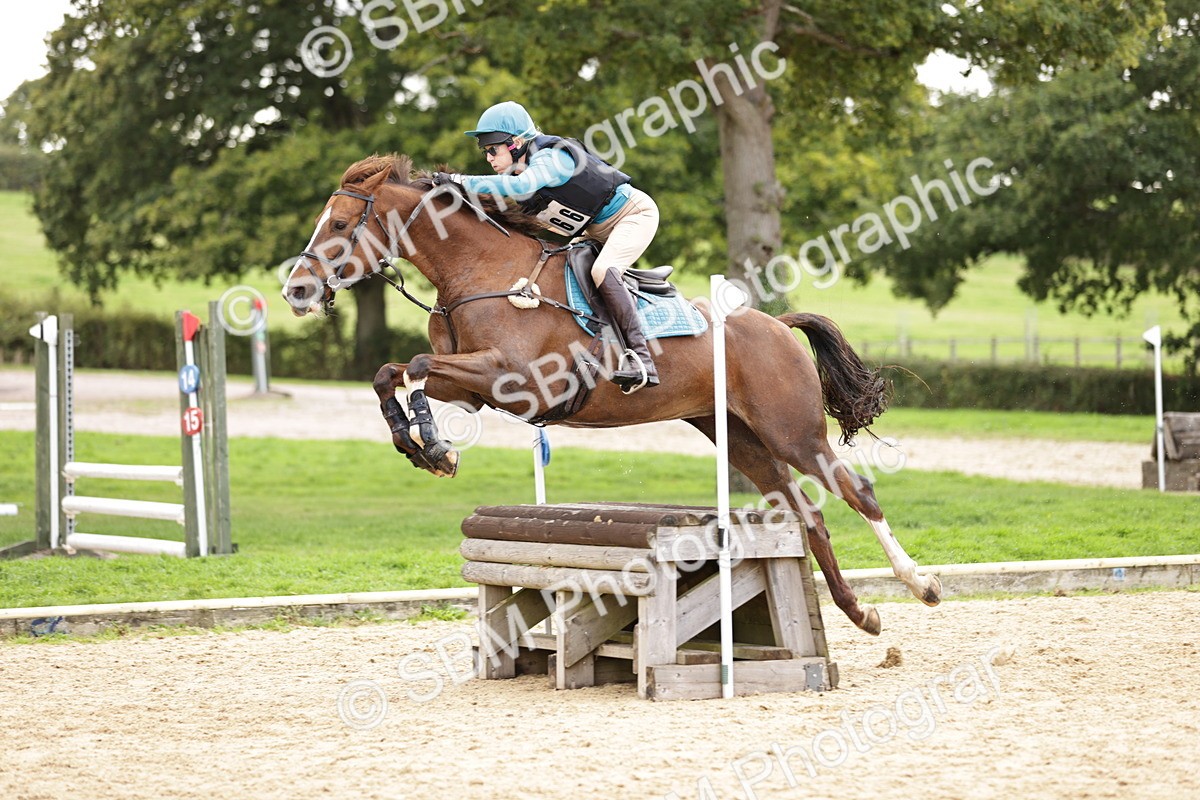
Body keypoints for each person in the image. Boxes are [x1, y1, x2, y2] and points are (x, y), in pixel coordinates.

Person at [434, 101, 661, 392]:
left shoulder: (551, 158)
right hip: (594, 230)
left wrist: (459, 180)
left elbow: (520, 187)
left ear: (516, 143)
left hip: (632, 215)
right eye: (485, 151)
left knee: (603, 270)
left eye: (493, 149)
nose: (489, 157)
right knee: (559, 271)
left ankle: (642, 360)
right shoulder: (516, 173)